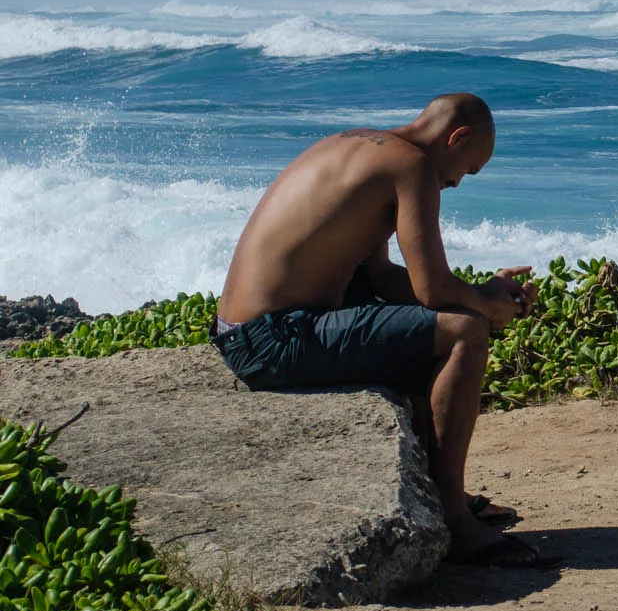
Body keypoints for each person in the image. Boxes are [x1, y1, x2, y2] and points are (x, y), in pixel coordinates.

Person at [214, 92, 552, 567]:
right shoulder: (413, 167)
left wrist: (481, 292)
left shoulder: (358, 146)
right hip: (274, 338)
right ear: (457, 138)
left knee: (431, 325)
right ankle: (454, 521)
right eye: (468, 170)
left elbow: (380, 278)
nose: (457, 182)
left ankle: (432, 491)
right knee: (466, 331)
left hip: (244, 331)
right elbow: (433, 289)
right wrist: (485, 304)